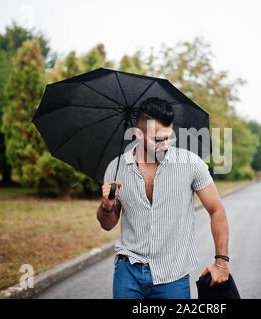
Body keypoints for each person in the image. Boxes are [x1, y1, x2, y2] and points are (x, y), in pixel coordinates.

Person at [96, 97, 229, 299]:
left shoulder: (191, 164)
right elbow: (108, 224)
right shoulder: (116, 168)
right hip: (127, 273)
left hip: (173, 276)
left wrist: (221, 262)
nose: (165, 145)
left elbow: (216, 210)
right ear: (138, 135)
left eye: (169, 137)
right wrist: (106, 207)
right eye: (158, 139)